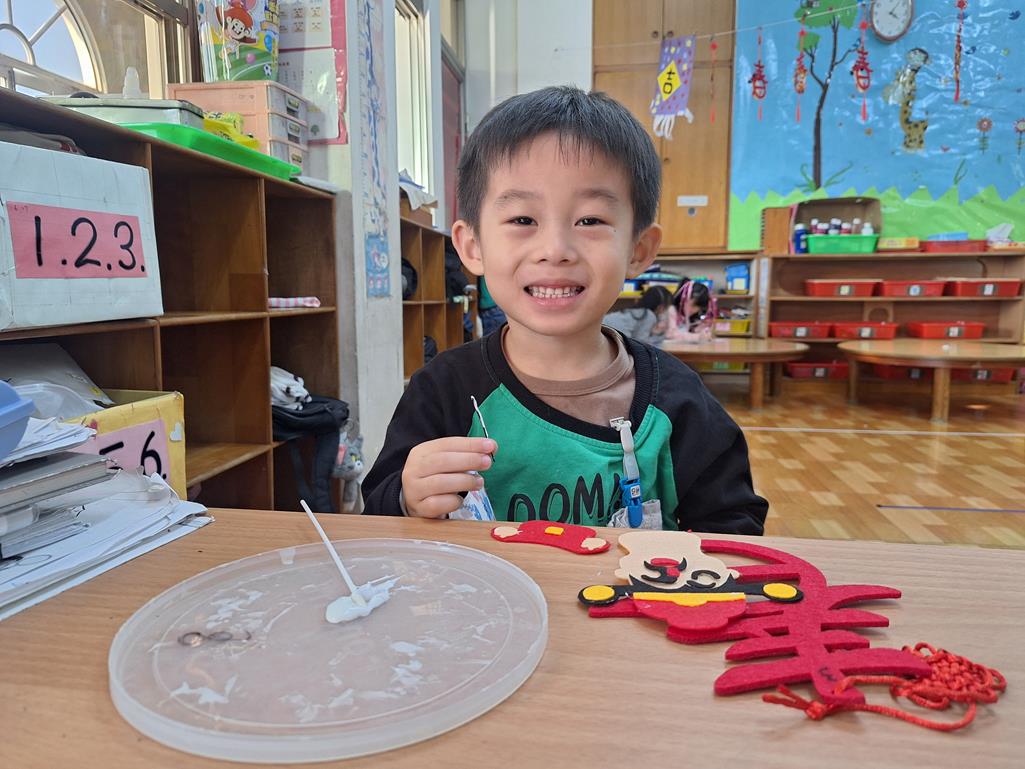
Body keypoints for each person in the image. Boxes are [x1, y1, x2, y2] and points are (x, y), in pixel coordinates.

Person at [362, 86, 766, 534]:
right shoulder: (444, 390)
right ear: (473, 247)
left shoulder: (677, 401)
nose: (555, 250)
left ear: (638, 249)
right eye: (523, 220)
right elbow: (377, 516)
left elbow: (735, 524)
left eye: (590, 220)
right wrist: (406, 497)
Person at [602, 285, 673, 346]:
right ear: (661, 306)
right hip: (610, 337)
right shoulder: (648, 315)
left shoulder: (638, 312)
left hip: (604, 331)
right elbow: (641, 344)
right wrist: (659, 334)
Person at [663, 277, 715, 344]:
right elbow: (671, 335)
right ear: (684, 298)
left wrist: (699, 330)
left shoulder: (686, 316)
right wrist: (697, 337)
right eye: (693, 305)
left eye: (699, 308)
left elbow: (688, 331)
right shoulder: (671, 310)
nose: (695, 310)